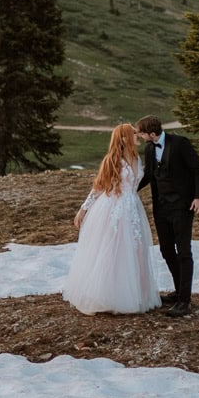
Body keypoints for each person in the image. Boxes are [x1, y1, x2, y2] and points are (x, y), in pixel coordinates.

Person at [62, 123, 161, 315]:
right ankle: (109, 296)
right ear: (123, 138)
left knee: (137, 251)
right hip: (114, 208)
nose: (137, 136)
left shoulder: (137, 157)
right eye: (133, 134)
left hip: (133, 208)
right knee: (113, 250)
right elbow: (98, 187)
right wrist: (83, 209)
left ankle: (137, 295)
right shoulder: (112, 160)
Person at [135, 115, 199, 317]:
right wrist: (129, 190)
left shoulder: (180, 144)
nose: (139, 136)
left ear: (151, 133)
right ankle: (179, 291)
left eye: (141, 133)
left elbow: (198, 170)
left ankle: (184, 301)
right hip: (161, 207)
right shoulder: (150, 148)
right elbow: (150, 175)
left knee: (184, 251)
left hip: (182, 206)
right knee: (166, 250)